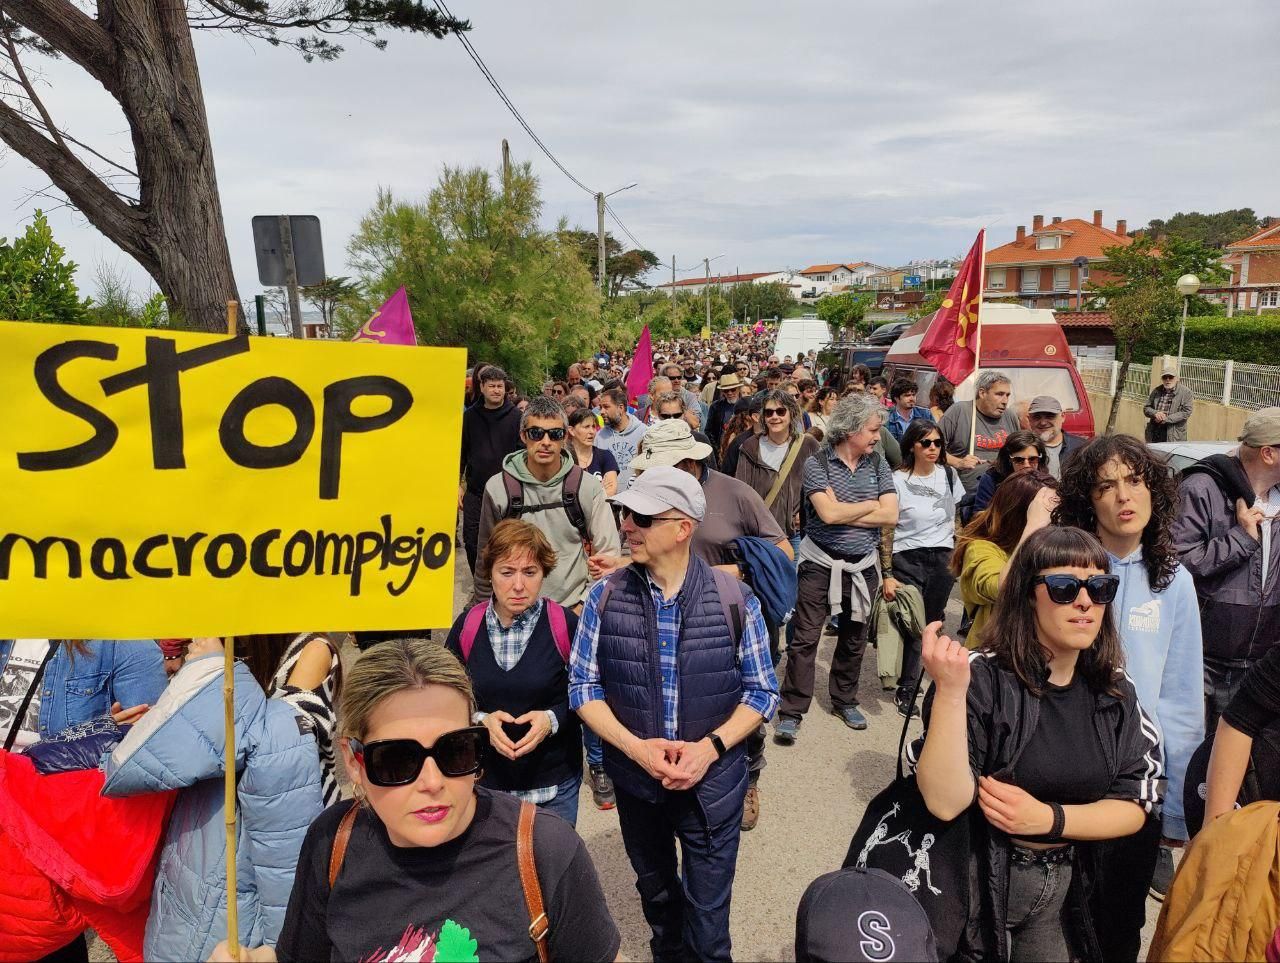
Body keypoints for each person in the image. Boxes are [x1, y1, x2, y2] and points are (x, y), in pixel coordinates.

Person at [212, 638, 621, 963]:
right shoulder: (331, 843)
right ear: (354, 763)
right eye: (397, 760)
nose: (431, 782)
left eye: (456, 751)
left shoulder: (543, 848)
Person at [910, 526, 1163, 962]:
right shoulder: (979, 679)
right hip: (971, 886)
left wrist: (1047, 818)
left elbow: (1135, 803)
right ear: (1029, 594)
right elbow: (944, 800)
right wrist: (950, 692)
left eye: (1100, 588)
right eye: (1065, 588)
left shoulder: (1115, 691)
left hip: (1064, 893)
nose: (1085, 602)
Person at [570, 467, 779, 962]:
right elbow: (582, 687)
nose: (626, 526)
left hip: (712, 788)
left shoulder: (735, 600)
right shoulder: (605, 595)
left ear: (683, 528)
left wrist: (709, 749)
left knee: (708, 925)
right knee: (659, 902)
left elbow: (762, 692)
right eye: (624, 513)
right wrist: (636, 750)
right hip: (638, 787)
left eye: (641, 516)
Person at [590, 419, 792, 832]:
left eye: (658, 468)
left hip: (729, 618)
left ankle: (748, 783)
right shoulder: (651, 500)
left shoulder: (735, 493)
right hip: (662, 620)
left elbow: (784, 552)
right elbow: (661, 558)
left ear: (688, 462)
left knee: (741, 709)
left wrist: (725, 576)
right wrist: (623, 564)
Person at [1054, 435, 1204, 948]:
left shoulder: (1174, 582)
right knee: (1047, 922)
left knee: (1118, 927)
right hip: (1059, 775)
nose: (1124, 497)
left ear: (1153, 491)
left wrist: (1176, 805)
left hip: (1134, 787)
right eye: (1107, 486)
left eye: (1135, 482)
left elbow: (1181, 700)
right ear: (1087, 500)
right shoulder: (1059, 571)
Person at [105, 636, 323, 962]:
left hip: (232, 938)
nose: (193, 635)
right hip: (188, 916)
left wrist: (211, 673)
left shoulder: (278, 720)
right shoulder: (225, 703)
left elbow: (286, 881)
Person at [775, 394, 898, 743]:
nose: (877, 437)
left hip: (863, 568)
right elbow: (825, 516)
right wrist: (868, 505)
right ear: (851, 428)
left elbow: (890, 515)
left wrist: (845, 507)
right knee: (805, 638)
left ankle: (845, 700)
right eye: (873, 430)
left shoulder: (878, 464)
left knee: (855, 638)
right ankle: (792, 709)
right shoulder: (817, 464)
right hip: (820, 566)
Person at [446, 520, 584, 826]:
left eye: (530, 573)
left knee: (551, 870)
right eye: (507, 572)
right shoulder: (467, 627)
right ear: (490, 574)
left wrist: (552, 719)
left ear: (544, 574)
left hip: (554, 785)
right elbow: (445, 696)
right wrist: (479, 720)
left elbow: (588, 693)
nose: (518, 585)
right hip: (484, 785)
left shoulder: (564, 625)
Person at [1172, 407, 1280, 727]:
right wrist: (1241, 539)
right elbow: (1177, 562)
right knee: (1200, 764)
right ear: (1269, 453)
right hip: (1205, 663)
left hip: (1260, 663)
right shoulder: (1202, 487)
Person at [470, 396, 621, 610]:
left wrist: (584, 603)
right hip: (514, 610)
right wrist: (485, 609)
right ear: (523, 435)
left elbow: (608, 553)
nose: (546, 442)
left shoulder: (585, 486)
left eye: (555, 434)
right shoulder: (499, 488)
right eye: (536, 433)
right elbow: (486, 555)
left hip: (571, 609)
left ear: (565, 436)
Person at [881, 420, 966, 717]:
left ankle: (915, 678)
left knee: (931, 623)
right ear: (911, 446)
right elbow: (887, 530)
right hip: (908, 557)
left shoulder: (950, 476)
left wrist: (958, 555)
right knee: (912, 624)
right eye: (926, 443)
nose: (933, 448)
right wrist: (887, 572)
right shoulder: (897, 480)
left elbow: (956, 521)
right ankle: (906, 686)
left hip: (942, 559)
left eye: (938, 443)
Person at [952, 471, 1058, 648]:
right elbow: (1003, 587)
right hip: (995, 662)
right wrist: (1034, 526)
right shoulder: (980, 548)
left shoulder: (1051, 549)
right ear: (1020, 513)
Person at [239, 633, 345, 807]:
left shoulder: (313, 649)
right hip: (242, 810)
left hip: (301, 808)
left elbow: (283, 743)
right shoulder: (224, 654)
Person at [0, 639, 164, 752]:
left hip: (62, 785)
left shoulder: (125, 642)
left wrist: (100, 733)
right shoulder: (9, 623)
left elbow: (151, 740)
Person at [735, 388, 819, 561]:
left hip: (794, 534)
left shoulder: (807, 445)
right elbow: (741, 492)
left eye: (780, 411)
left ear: (791, 413)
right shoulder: (750, 447)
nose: (775, 417)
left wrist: (805, 510)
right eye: (769, 412)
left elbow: (822, 484)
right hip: (760, 534)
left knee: (792, 585)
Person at [460, 365, 523, 572]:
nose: (496, 390)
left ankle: (501, 582)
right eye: (492, 386)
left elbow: (522, 454)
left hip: (508, 491)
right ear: (483, 387)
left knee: (506, 542)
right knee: (472, 541)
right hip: (476, 491)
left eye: (500, 386)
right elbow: (461, 452)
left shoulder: (516, 417)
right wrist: (457, 484)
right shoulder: (469, 417)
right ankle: (480, 585)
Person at [938, 370, 1021, 493]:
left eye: (1007, 395)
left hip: (1002, 493)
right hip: (966, 496)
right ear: (982, 393)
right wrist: (958, 462)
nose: (1005, 401)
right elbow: (932, 448)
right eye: (999, 394)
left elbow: (1019, 452)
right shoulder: (959, 411)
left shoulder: (1010, 416)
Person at [971, 430, 1048, 518]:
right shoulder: (992, 478)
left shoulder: (1044, 480)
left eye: (1032, 459)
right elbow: (978, 515)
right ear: (1009, 460)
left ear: (1040, 459)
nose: (1027, 465)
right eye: (1019, 460)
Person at [596, 386, 648, 490]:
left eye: (606, 407)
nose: (601, 412)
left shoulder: (644, 432)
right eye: (600, 407)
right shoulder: (600, 436)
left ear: (621, 408)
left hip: (635, 498)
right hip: (609, 500)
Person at [653, 389, 719, 469]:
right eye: (666, 416)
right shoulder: (652, 442)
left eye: (677, 415)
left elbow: (712, 473)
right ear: (658, 415)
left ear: (684, 414)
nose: (672, 419)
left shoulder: (700, 439)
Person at [1026, 395, 1086, 479]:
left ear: (1063, 417)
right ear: (1029, 420)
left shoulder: (1081, 448)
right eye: (1037, 417)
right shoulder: (1022, 448)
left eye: (1050, 416)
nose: (1043, 422)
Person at [568, 406, 618, 496]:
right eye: (586, 427)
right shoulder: (564, 458)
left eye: (594, 427)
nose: (592, 431)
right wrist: (599, 490)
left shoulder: (605, 456)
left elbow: (611, 491)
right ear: (571, 430)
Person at [1144, 362, 1194, 443]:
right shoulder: (1156, 391)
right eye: (1165, 377)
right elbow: (1146, 408)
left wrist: (1166, 419)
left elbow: (1186, 412)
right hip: (1155, 430)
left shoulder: (1186, 392)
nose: (1167, 380)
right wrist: (1155, 413)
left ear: (1177, 378)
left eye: (1170, 377)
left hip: (1174, 433)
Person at [707, 372, 745, 448]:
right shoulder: (715, 406)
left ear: (738, 389)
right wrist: (716, 448)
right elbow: (708, 430)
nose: (729, 393)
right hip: (721, 449)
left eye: (733, 390)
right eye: (726, 390)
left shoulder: (746, 405)